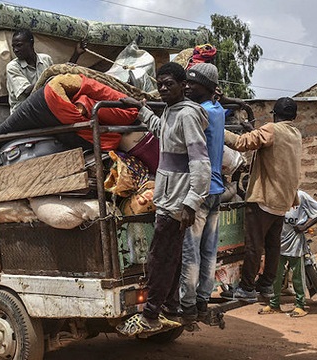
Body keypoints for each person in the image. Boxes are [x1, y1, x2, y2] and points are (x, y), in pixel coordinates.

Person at [115, 62, 211, 335]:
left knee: (160, 258)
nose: (164, 88)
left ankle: (150, 314)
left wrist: (191, 203)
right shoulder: (172, 111)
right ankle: (170, 306)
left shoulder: (188, 116)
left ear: (184, 86)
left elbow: (201, 163)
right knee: (172, 256)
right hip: (168, 198)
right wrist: (140, 108)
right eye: (160, 85)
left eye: (169, 84)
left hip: (178, 202)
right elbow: (161, 131)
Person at [223, 97, 302, 302]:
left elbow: (241, 143)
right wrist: (252, 129)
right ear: (293, 117)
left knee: (254, 245)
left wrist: (216, 129)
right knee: (273, 245)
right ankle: (266, 285)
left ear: (274, 115)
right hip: (283, 200)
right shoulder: (295, 133)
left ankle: (247, 287)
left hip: (264, 197)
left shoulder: (272, 129)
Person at [178, 63, 226, 323]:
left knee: (191, 251)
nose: (187, 87)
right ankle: (202, 299)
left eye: (192, 84)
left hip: (200, 190)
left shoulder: (198, 113)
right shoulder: (217, 110)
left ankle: (187, 303)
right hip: (217, 189)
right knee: (209, 249)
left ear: (206, 88)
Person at [0, 73, 140, 152]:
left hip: (53, 94)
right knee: (106, 141)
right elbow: (89, 105)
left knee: (6, 131)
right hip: (55, 98)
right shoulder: (130, 112)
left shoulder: (122, 102)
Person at [259, 190, 317, 317]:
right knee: (275, 275)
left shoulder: (301, 196)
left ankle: (300, 305)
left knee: (297, 276)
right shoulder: (274, 195)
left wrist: (305, 226)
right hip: (277, 243)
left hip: (294, 243)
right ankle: (274, 304)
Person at [6, 29, 86, 113]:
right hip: (23, 110)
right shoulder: (12, 67)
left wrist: (76, 54)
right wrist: (49, 78)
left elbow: (57, 76)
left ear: (31, 43)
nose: (15, 50)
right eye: (13, 47)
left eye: (19, 45)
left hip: (44, 104)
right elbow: (26, 91)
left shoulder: (46, 59)